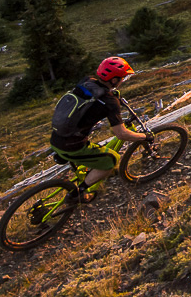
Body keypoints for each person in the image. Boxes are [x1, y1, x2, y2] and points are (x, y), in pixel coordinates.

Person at [49, 56, 148, 200]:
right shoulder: (109, 102)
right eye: (122, 78)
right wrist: (144, 137)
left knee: (97, 153)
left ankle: (83, 179)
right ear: (114, 80)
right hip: (73, 147)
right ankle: (78, 193)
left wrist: (112, 96)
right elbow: (121, 134)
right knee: (111, 160)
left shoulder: (87, 81)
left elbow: (93, 99)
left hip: (56, 138)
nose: (122, 81)